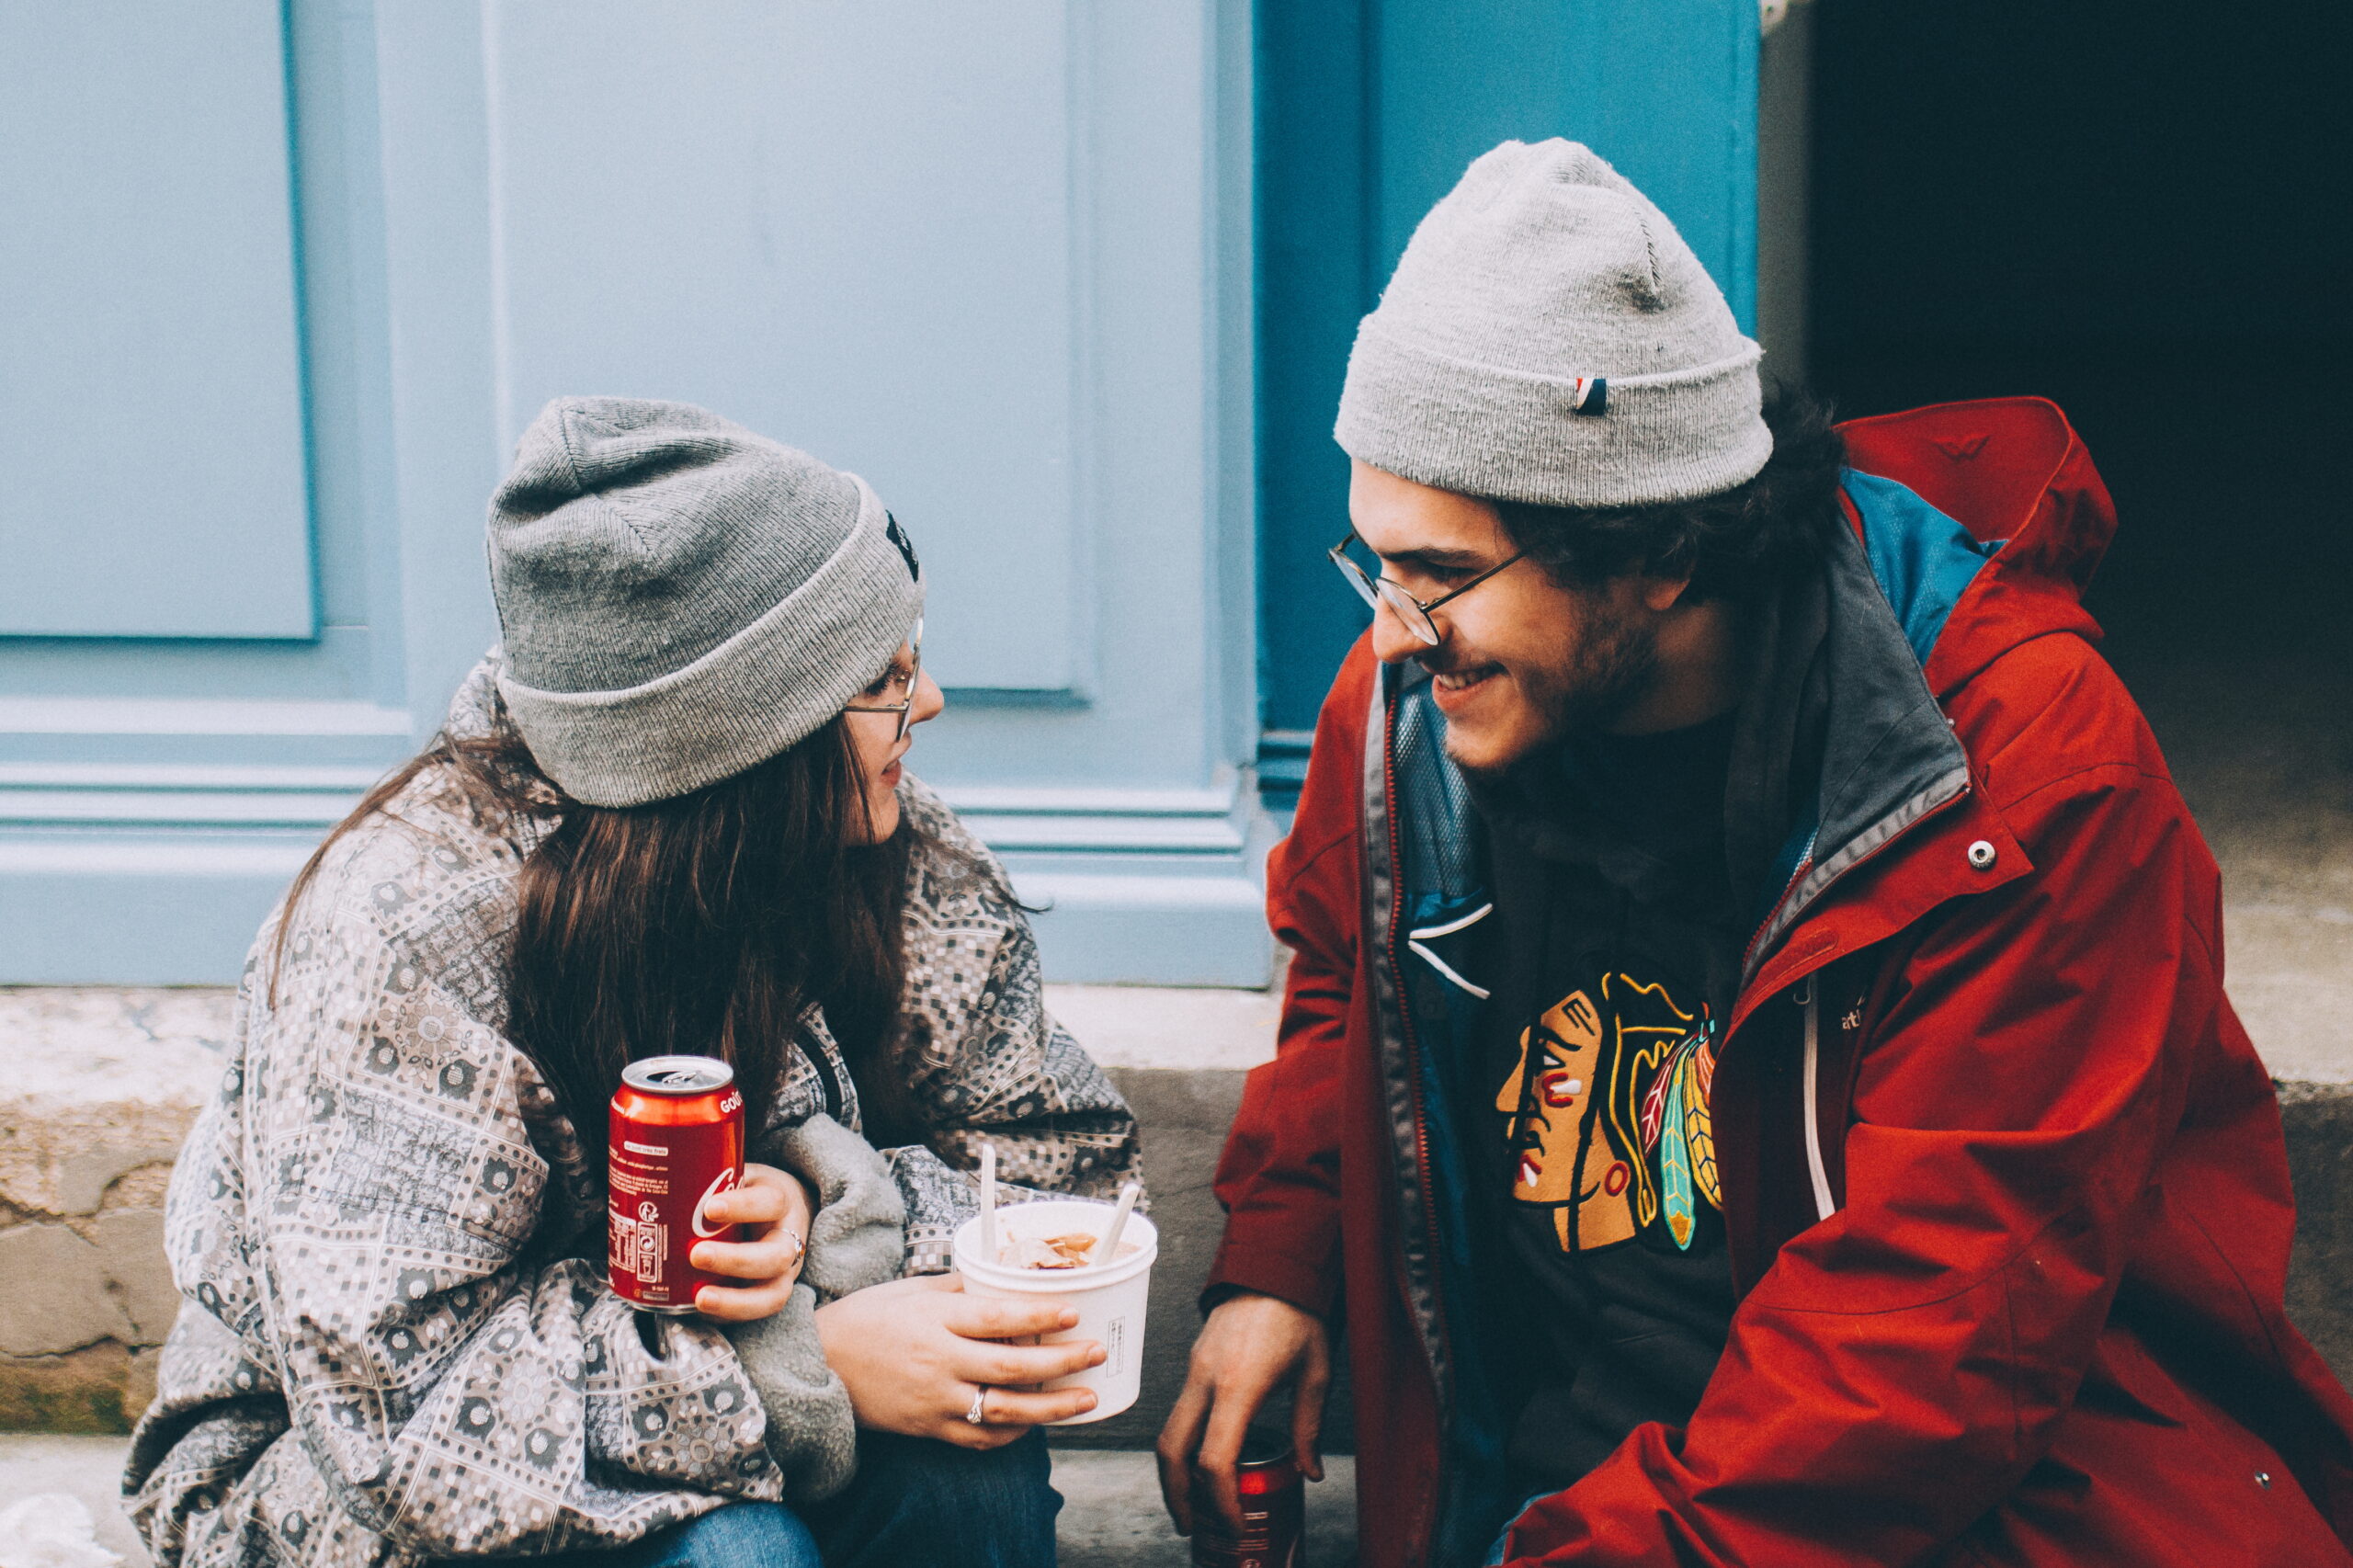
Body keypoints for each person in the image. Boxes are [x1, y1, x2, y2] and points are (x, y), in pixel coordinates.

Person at [1159, 140, 2353, 1566]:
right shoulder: (1416, 705)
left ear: (1658, 553)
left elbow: (1920, 1355)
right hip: (1560, 1484)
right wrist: (1282, 1258)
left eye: (1443, 574)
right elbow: (1349, 980)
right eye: (1378, 561)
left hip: (1961, 1510)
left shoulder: (2021, 775)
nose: (1392, 631)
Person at [125, 397, 1143, 1568]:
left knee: (970, 1480)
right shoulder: (406, 929)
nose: (932, 704)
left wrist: (831, 1214)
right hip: (348, 1477)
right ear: (739, 742)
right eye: (884, 679)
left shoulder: (883, 841)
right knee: (736, 1555)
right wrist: (802, 1365)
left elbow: (1067, 1174)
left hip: (666, 1390)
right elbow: (402, 1422)